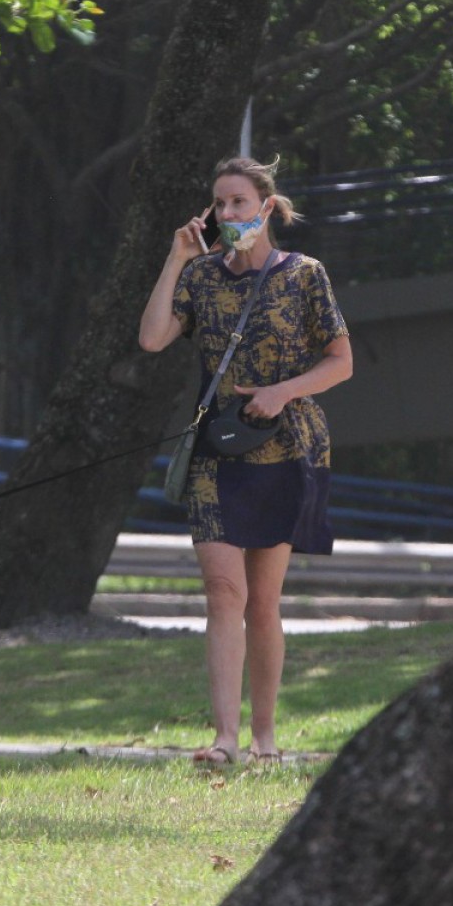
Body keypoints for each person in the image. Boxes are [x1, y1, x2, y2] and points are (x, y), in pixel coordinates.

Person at [138, 157, 353, 766]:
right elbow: (152, 338)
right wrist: (177, 257)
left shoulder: (304, 274)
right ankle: (224, 739)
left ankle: (264, 739)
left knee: (262, 601)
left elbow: (341, 362)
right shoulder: (201, 277)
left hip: (284, 447)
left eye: (238, 202)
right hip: (217, 450)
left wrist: (283, 391)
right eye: (219, 204)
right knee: (222, 590)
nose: (228, 213)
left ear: (266, 207)